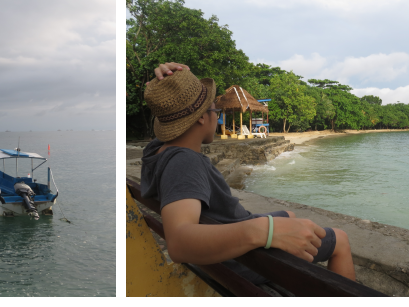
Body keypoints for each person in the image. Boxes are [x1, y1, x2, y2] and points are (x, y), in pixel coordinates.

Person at [140, 62, 356, 281]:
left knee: (289, 215)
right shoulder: (184, 162)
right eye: (216, 110)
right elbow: (180, 244)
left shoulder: (156, 150)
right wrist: (265, 231)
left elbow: (174, 114)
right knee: (340, 239)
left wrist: (171, 88)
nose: (218, 117)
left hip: (232, 230)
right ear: (202, 118)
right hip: (239, 259)